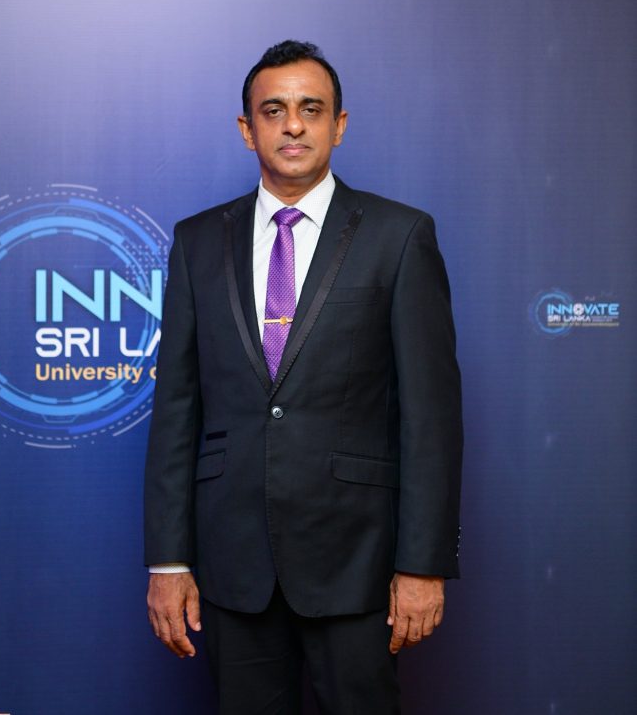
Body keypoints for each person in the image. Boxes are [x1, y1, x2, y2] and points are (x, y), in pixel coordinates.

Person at [144, 40, 462, 714]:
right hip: (234, 566)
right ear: (247, 128)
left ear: (338, 125)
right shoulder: (196, 242)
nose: (293, 125)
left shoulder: (400, 235)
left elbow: (431, 417)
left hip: (358, 563)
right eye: (274, 110)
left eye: (311, 109)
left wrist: (422, 563)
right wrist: (169, 562)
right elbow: (176, 410)